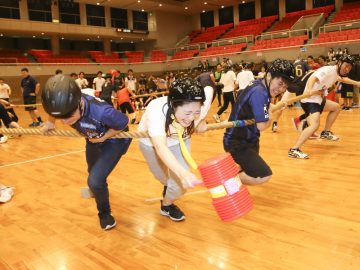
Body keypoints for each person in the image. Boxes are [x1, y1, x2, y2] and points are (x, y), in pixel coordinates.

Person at [41, 75, 131, 230]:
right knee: (92, 172)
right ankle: (100, 189)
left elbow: (124, 122)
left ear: (78, 103)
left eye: (69, 116)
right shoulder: (66, 104)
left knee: (94, 181)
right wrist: (50, 121)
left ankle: (104, 213)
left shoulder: (102, 112)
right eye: (60, 117)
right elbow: (56, 111)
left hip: (114, 138)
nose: (65, 122)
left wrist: (103, 137)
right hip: (93, 137)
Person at [138, 78, 205, 221]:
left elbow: (201, 109)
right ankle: (168, 186)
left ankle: (166, 205)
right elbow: (160, 147)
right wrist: (182, 174)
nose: (191, 118)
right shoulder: (157, 109)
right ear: (173, 106)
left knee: (179, 186)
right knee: (163, 177)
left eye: (196, 112)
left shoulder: (194, 108)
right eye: (187, 113)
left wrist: (201, 120)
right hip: (151, 143)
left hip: (178, 140)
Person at [223, 59, 295, 185]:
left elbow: (258, 106)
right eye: (280, 84)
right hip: (237, 142)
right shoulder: (260, 92)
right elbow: (262, 125)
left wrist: (271, 107)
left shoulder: (259, 85)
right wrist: (271, 116)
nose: (281, 89)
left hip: (250, 139)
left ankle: (231, 185)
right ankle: (226, 183)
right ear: (269, 76)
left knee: (248, 170)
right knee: (263, 175)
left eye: (285, 86)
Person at [288, 55, 360, 159]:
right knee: (314, 125)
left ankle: (326, 132)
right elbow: (313, 77)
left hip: (318, 99)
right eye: (346, 65)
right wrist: (308, 89)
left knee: (336, 107)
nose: (347, 69)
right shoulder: (328, 70)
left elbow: (342, 79)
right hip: (310, 100)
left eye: (350, 67)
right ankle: (294, 149)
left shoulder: (336, 72)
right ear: (339, 63)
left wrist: (356, 83)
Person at [271, 57, 309, 132]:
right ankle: (303, 122)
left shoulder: (291, 66)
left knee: (281, 106)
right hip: (300, 89)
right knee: (308, 108)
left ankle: (275, 123)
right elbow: (310, 72)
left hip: (290, 88)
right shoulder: (304, 63)